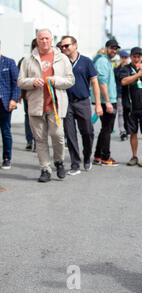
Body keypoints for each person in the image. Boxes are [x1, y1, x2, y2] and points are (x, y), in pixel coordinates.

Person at [18, 29, 75, 182]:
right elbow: (20, 81)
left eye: (47, 38)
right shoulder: (27, 60)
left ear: (51, 40)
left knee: (58, 135)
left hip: (55, 106)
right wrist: (32, 82)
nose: (44, 41)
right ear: (37, 40)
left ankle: (59, 161)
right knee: (40, 139)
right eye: (41, 38)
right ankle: (45, 169)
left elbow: (70, 80)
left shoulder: (62, 58)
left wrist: (56, 80)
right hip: (36, 106)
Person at [60, 35, 102, 175]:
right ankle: (75, 164)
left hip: (83, 102)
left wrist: (98, 104)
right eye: (62, 46)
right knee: (70, 134)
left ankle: (87, 156)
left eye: (67, 45)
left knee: (88, 133)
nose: (64, 48)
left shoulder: (86, 62)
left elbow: (95, 83)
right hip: (67, 103)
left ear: (75, 45)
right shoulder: (60, 62)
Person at [92, 39, 121, 167]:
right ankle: (105, 156)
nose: (114, 51)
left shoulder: (107, 61)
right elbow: (102, 83)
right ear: (106, 48)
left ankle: (98, 155)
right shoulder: (103, 61)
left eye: (116, 49)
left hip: (108, 100)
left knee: (105, 129)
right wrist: (108, 102)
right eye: (112, 48)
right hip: (107, 101)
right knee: (107, 130)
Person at [0, 40, 20, 170]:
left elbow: (17, 83)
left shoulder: (9, 62)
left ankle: (7, 158)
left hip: (4, 102)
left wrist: (14, 99)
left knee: (5, 131)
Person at [18, 39, 38, 152]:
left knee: (33, 117)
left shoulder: (24, 60)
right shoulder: (25, 60)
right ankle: (31, 140)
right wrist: (20, 94)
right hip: (29, 94)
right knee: (31, 116)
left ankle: (33, 141)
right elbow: (19, 79)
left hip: (33, 94)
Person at [115, 50, 130, 141]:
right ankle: (122, 131)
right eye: (122, 57)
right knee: (120, 113)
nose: (124, 59)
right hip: (119, 93)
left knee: (128, 112)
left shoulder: (130, 68)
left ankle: (128, 129)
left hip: (129, 95)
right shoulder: (116, 69)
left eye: (125, 58)